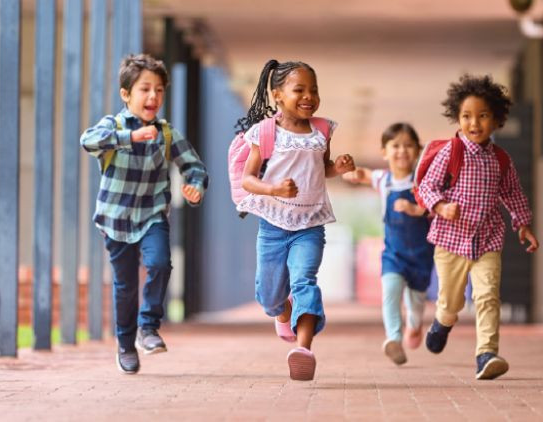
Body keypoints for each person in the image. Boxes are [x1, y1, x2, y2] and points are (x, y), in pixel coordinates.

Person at [80, 54, 208, 374]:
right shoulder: (114, 125)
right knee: (125, 286)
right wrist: (129, 138)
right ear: (126, 94)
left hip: (152, 214)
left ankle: (147, 328)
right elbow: (88, 141)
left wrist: (195, 187)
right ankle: (125, 345)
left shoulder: (166, 133)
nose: (153, 96)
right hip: (116, 218)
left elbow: (194, 168)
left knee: (160, 262)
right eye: (145, 89)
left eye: (160, 90)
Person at [237, 60, 355, 380]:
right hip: (273, 225)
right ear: (277, 94)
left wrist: (339, 169)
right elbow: (248, 178)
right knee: (269, 295)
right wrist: (273, 188)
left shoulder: (322, 130)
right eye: (298, 90)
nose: (308, 96)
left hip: (310, 225)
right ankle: (282, 311)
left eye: (313, 90)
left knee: (305, 280)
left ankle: (304, 349)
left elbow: (323, 168)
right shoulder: (264, 133)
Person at [417, 74, 538, 380]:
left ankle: (486, 353)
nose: (474, 123)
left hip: (487, 238)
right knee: (452, 301)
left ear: (497, 120)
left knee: (487, 296)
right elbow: (429, 185)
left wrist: (522, 224)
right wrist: (442, 206)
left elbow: (512, 192)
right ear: (457, 119)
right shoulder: (451, 152)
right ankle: (442, 322)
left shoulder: (500, 158)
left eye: (483, 116)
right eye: (467, 116)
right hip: (451, 241)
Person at [343, 123, 433, 365]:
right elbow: (364, 174)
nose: (402, 151)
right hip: (394, 254)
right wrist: (352, 172)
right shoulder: (384, 179)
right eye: (395, 146)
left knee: (416, 303)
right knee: (390, 293)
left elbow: (435, 208)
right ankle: (393, 339)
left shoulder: (423, 182)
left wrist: (416, 209)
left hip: (422, 256)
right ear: (384, 151)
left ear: (417, 150)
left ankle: (414, 325)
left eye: (408, 146)